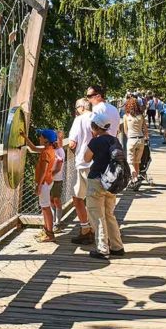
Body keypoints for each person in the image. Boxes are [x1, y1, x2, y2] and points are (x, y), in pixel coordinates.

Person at [84, 113, 125, 259]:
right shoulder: (115, 140)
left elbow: (86, 158)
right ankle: (117, 246)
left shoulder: (95, 142)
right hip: (111, 183)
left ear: (95, 126)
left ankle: (102, 248)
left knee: (97, 215)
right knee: (109, 215)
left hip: (96, 180)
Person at [20, 129, 58, 243]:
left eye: (41, 136)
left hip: (44, 183)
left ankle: (50, 234)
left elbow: (44, 170)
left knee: (46, 208)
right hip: (48, 181)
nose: (39, 138)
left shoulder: (46, 153)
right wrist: (25, 137)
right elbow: (33, 148)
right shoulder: (49, 149)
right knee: (44, 207)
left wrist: (39, 185)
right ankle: (46, 230)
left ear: (46, 140)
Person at [68, 98, 94, 244]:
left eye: (77, 107)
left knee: (77, 198)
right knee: (95, 198)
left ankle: (85, 228)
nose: (76, 110)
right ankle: (98, 229)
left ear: (82, 107)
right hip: (98, 163)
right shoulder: (97, 117)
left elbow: (72, 143)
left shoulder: (79, 120)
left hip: (83, 163)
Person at [123, 97, 148, 184]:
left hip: (131, 140)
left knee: (130, 161)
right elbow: (145, 129)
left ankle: (134, 176)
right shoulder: (141, 116)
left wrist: (129, 137)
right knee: (137, 162)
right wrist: (146, 137)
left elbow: (125, 130)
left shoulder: (126, 116)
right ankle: (136, 180)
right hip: (141, 139)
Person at [51, 130, 66, 232]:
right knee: (51, 200)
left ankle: (58, 222)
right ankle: (52, 221)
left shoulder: (60, 151)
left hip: (57, 179)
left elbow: (57, 168)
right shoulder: (51, 149)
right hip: (50, 180)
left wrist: (48, 175)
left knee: (56, 199)